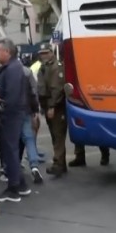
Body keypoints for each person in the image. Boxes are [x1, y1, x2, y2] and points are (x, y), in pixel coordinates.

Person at [0, 38, 33, 203]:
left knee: (10, 151)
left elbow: (12, 96)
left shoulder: (13, 69)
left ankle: (13, 188)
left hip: (10, 116)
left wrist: (0, 109)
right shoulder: (9, 68)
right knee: (10, 150)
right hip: (10, 115)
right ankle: (21, 185)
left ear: (7, 52)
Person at [38, 43, 70, 177]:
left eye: (46, 53)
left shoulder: (56, 67)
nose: (43, 55)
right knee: (54, 135)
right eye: (41, 53)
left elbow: (56, 89)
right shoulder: (43, 67)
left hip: (56, 106)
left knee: (58, 136)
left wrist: (52, 107)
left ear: (51, 53)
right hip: (47, 104)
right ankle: (61, 164)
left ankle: (58, 164)